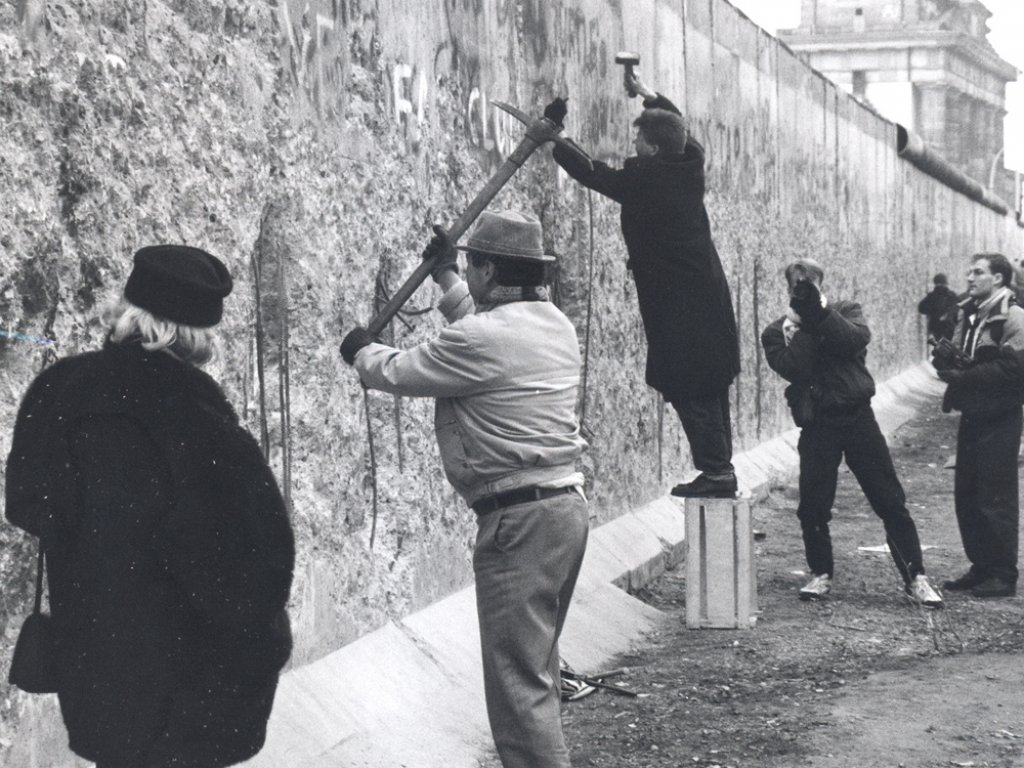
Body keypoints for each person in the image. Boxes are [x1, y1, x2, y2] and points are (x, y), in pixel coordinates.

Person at [5, 245, 295, 768]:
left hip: (97, 670)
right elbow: (259, 562)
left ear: (129, 310)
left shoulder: (58, 388)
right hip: (185, 690)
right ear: (198, 336)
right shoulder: (201, 418)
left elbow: (27, 505)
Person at [340, 210, 589, 768]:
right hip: (563, 512)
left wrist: (361, 350)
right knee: (537, 673)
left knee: (517, 688)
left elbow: (402, 371)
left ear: (490, 270)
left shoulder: (483, 339)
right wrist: (449, 277)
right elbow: (480, 331)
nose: (469, 274)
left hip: (517, 523)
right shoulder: (553, 324)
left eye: (474, 264)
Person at [550, 71, 740, 499]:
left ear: (653, 149)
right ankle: (719, 468)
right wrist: (650, 96)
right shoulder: (687, 165)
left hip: (683, 307)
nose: (632, 147)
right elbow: (681, 130)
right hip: (704, 299)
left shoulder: (650, 181)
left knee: (689, 385)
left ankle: (716, 471)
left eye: (639, 142)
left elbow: (594, 174)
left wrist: (553, 138)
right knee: (708, 386)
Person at [760, 258, 943, 606]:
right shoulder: (777, 331)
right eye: (798, 283)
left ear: (821, 283)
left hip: (858, 419)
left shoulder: (846, 311)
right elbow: (794, 368)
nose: (804, 287)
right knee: (813, 505)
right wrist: (806, 324)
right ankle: (820, 574)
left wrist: (820, 315)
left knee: (889, 500)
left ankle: (916, 577)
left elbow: (854, 342)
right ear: (787, 287)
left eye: (810, 282)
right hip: (818, 425)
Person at [933, 252, 1024, 598]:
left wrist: (966, 376)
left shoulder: (1014, 318)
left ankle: (1002, 575)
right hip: (974, 414)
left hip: (1001, 416)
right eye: (969, 271)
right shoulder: (970, 314)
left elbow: (1014, 370)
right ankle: (982, 567)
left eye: (978, 273)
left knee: (995, 497)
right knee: (968, 495)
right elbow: (964, 355)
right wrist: (946, 360)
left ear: (999, 279)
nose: (969, 278)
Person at [917, 272, 959, 342]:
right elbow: (958, 309)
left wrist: (933, 312)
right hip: (949, 329)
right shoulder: (952, 295)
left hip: (937, 330)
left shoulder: (931, 296)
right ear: (945, 283)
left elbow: (921, 308)